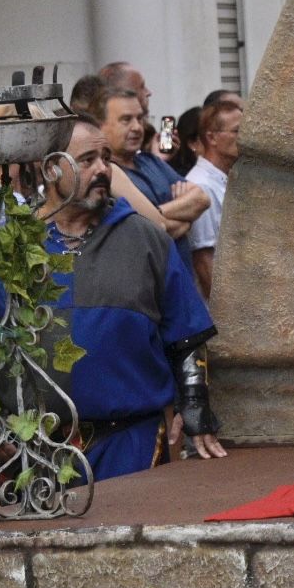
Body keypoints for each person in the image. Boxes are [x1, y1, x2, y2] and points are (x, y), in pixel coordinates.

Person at [34, 117, 226, 479]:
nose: (103, 169)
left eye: (106, 158)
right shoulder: (13, 245)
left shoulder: (145, 239)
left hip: (133, 445)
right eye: (87, 160)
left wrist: (195, 403)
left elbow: (186, 334)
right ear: (50, 168)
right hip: (39, 452)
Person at [96, 87, 209, 273]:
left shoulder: (151, 161)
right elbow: (141, 232)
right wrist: (183, 219)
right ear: (100, 125)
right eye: (126, 120)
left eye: (140, 118)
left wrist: (154, 216)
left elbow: (201, 199)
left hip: (181, 281)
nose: (137, 127)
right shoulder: (104, 175)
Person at [185, 101, 242, 299]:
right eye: (237, 131)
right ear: (212, 137)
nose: (244, 137)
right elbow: (204, 260)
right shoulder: (201, 185)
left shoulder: (225, 179)